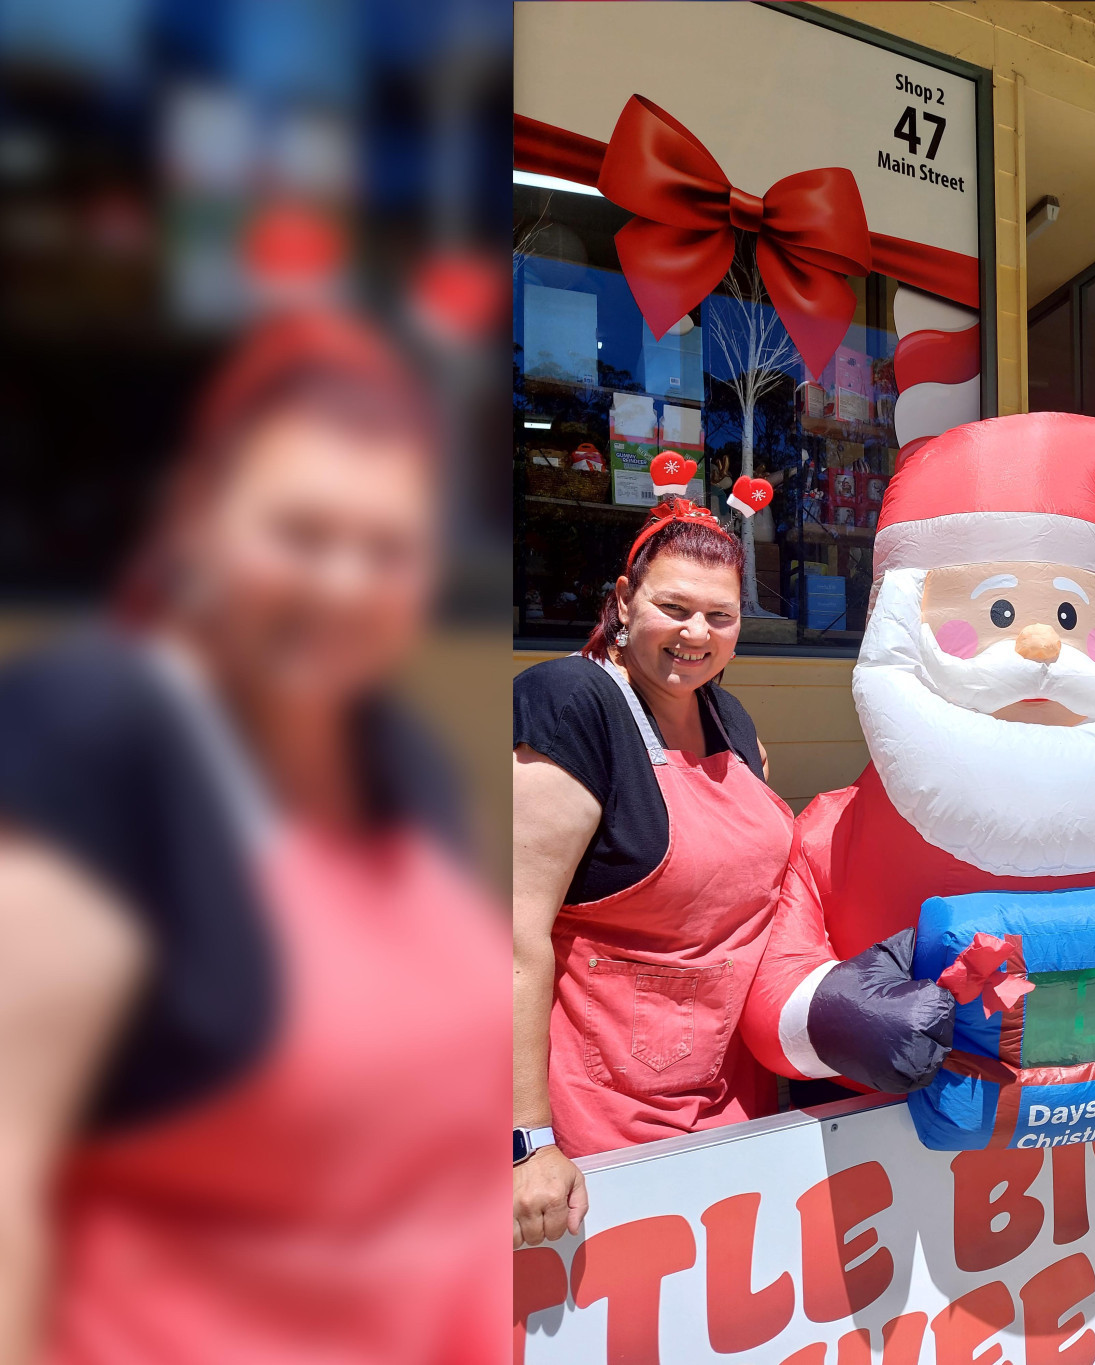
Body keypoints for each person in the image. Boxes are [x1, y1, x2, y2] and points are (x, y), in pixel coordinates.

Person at [0, 310, 503, 1363]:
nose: (342, 584)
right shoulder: (94, 739)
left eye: (386, 550)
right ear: (192, 519)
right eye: (300, 534)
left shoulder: (396, 757)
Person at [738, 413, 1095, 1105]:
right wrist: (842, 1016)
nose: (1043, 642)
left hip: (1089, 1136)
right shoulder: (835, 834)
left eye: (1071, 616)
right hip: (888, 1140)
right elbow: (776, 991)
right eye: (998, 611)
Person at [512, 496, 791, 1248]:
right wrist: (529, 1144)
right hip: (603, 1121)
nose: (696, 634)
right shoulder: (573, 703)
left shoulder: (729, 716)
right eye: (673, 606)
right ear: (624, 601)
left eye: (721, 616)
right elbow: (512, 938)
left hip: (735, 1094)